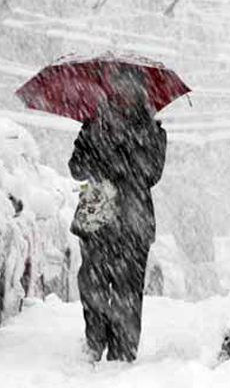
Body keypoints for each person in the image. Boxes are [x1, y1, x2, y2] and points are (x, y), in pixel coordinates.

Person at [68, 71, 167, 362]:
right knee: (93, 285)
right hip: (97, 218)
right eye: (119, 87)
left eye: (130, 89)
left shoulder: (152, 131)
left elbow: (152, 173)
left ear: (140, 93)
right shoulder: (93, 126)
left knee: (127, 291)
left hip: (133, 222)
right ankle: (95, 342)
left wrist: (126, 154)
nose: (124, 93)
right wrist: (97, 155)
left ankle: (123, 352)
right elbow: (75, 167)